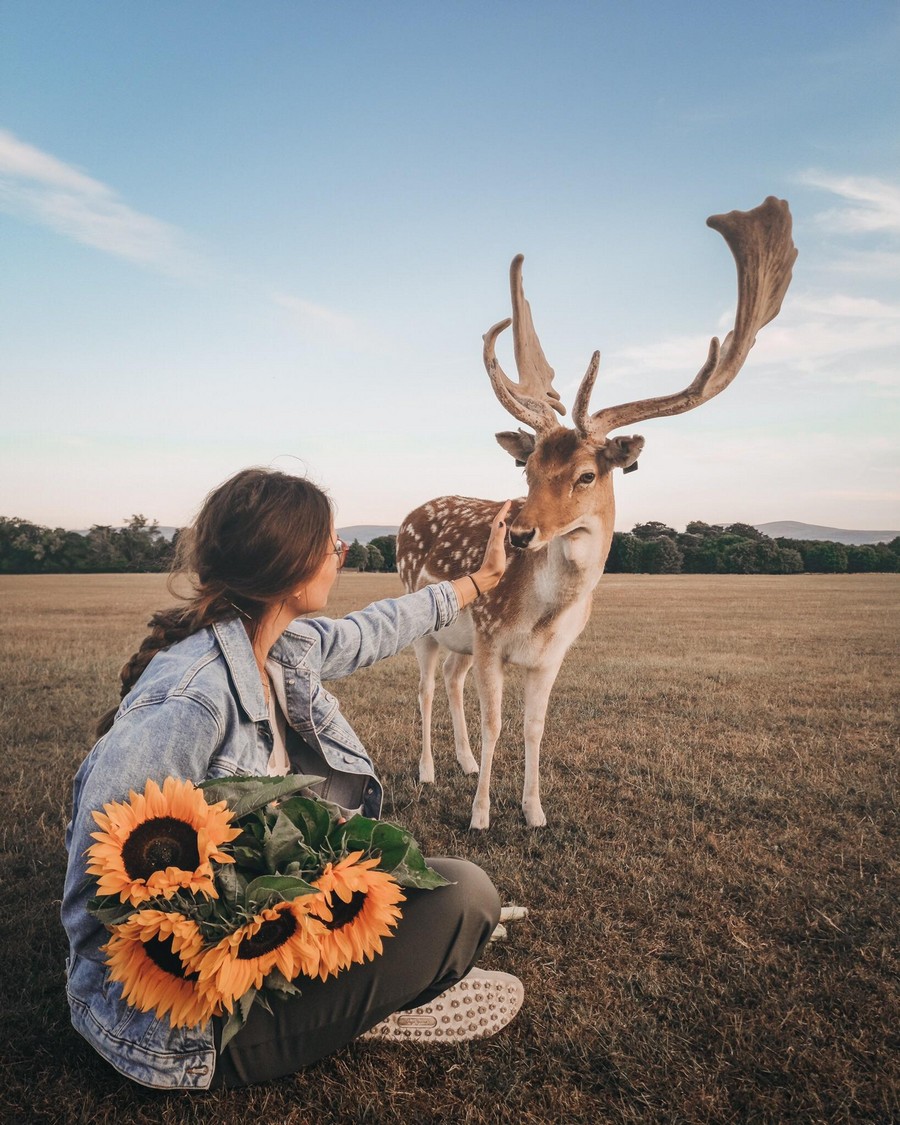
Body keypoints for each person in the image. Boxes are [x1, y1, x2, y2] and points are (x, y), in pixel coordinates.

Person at [61, 467, 521, 1090]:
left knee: (422, 886)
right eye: (334, 544)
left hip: (279, 930)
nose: (342, 555)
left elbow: (373, 629)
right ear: (295, 562)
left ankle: (361, 993)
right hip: (191, 1019)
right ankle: (365, 1010)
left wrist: (480, 581)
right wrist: (158, 985)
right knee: (467, 897)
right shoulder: (191, 696)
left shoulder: (282, 646)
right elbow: (97, 880)